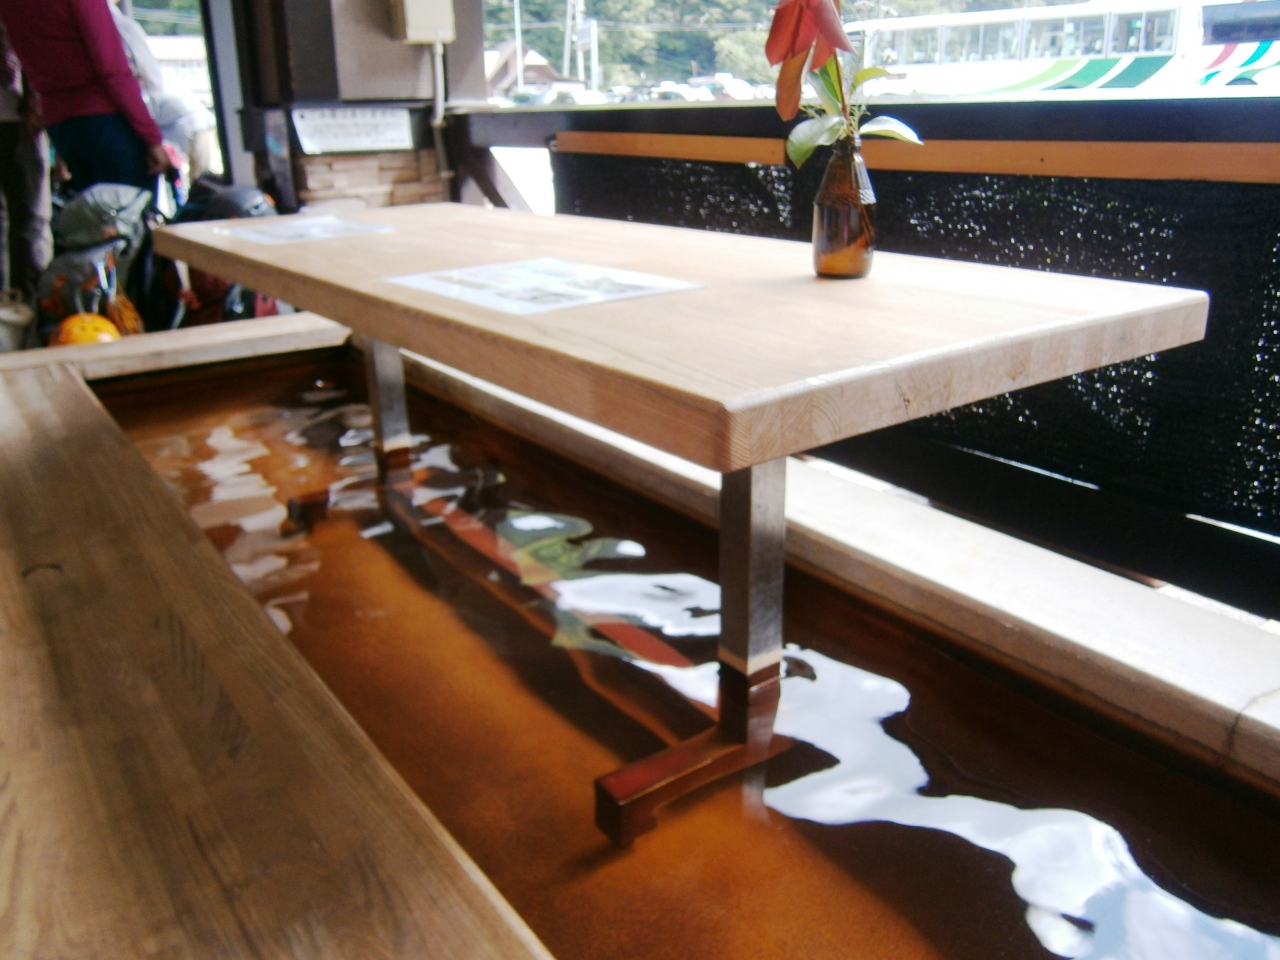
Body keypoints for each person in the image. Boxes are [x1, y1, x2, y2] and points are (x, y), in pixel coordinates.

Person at [0, 0, 169, 193]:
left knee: (93, 207)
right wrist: (151, 137)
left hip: (61, 123)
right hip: (106, 119)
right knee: (132, 207)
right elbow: (113, 70)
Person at [0, 23, 50, 299]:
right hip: (18, 121)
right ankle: (26, 306)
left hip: (19, 117)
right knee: (29, 221)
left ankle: (20, 305)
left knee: (27, 223)